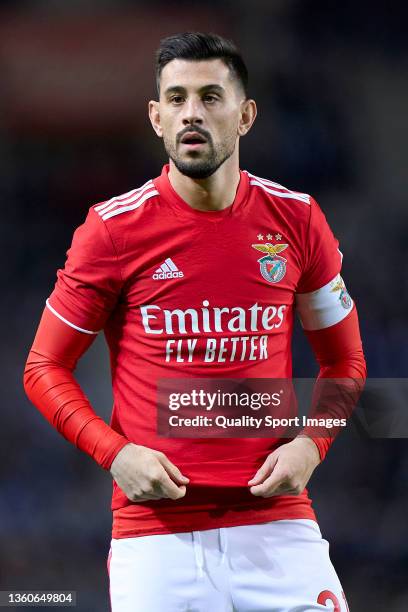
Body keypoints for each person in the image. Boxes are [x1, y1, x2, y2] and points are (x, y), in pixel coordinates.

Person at [24, 32, 366, 611]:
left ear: (246, 115)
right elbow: (43, 368)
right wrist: (116, 454)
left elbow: (345, 361)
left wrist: (312, 444)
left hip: (278, 527)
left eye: (211, 97)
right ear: (156, 117)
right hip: (154, 538)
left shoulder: (298, 220)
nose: (192, 113)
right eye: (177, 99)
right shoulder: (111, 232)